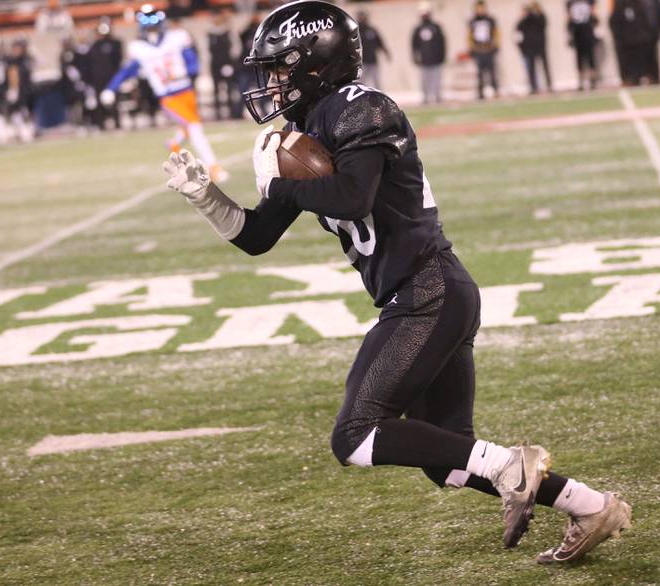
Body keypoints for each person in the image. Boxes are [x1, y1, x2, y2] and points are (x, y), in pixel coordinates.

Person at [162, 0, 632, 565]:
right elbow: (258, 237)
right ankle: (589, 505)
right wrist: (206, 200)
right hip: (432, 292)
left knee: (355, 436)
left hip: (424, 293)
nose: (274, 81)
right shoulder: (308, 127)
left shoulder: (362, 107)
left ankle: (514, 464)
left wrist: (282, 186)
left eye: (282, 67)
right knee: (448, 456)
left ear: (317, 61)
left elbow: (351, 196)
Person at [102, 4, 228, 183]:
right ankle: (214, 167)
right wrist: (111, 88)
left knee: (189, 127)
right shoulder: (138, 47)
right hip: (168, 97)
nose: (152, 28)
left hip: (186, 91)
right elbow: (126, 71)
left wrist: (191, 71)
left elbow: (192, 61)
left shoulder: (177, 37)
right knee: (195, 128)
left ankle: (174, 144)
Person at [87, 18, 124, 130]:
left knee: (114, 101)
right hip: (98, 78)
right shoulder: (95, 46)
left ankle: (117, 123)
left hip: (112, 78)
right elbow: (91, 63)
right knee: (100, 102)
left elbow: (118, 60)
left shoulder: (115, 43)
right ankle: (101, 124)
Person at [610, 0, 653, 85]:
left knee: (640, 59)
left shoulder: (638, 4)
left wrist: (644, 33)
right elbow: (614, 21)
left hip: (638, 38)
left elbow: (644, 19)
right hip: (625, 40)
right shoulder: (619, 5)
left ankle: (641, 76)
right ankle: (629, 78)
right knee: (627, 60)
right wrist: (618, 36)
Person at [411, 5, 446, 103]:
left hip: (436, 59)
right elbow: (414, 45)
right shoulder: (418, 29)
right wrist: (415, 57)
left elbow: (442, 42)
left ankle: (437, 97)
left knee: (437, 80)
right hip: (424, 60)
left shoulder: (436, 27)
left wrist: (442, 56)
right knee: (424, 81)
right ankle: (425, 98)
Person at [207, 9, 238, 120]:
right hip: (215, 64)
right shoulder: (210, 33)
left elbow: (232, 48)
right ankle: (218, 113)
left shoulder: (227, 32)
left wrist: (230, 63)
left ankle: (232, 112)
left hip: (226, 63)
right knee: (216, 89)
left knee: (229, 88)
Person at [516, 2, 552, 94]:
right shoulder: (525, 20)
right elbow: (518, 30)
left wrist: (534, 14)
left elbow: (543, 24)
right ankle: (533, 87)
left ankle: (549, 85)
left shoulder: (540, 17)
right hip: (530, 47)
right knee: (531, 68)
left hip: (540, 45)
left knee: (545, 66)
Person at [468, 1, 500, 99]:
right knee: (480, 73)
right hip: (478, 50)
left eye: (482, 8)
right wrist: (471, 48)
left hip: (489, 49)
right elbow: (469, 35)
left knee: (492, 72)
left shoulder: (490, 20)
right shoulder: (472, 21)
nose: (480, 10)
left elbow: (496, 33)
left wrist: (496, 45)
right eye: (478, 8)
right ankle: (481, 93)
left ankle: (495, 90)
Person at [6, 38, 35, 142]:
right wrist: (13, 89)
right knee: (16, 111)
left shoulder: (27, 59)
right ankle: (21, 131)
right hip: (17, 90)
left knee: (27, 110)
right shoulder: (11, 61)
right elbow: (12, 75)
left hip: (27, 89)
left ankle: (30, 130)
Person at [566, 0, 599, 90]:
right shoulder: (570, 3)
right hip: (577, 33)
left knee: (590, 57)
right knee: (579, 58)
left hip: (588, 31)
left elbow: (594, 14)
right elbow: (569, 17)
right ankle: (581, 81)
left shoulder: (589, 1)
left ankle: (593, 80)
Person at [358, 10, 390, 90]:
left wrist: (386, 52)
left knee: (376, 80)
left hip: (373, 60)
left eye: (364, 16)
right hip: (362, 61)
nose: (363, 18)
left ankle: (379, 97)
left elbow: (380, 42)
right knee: (361, 81)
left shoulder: (372, 30)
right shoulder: (357, 30)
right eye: (361, 16)